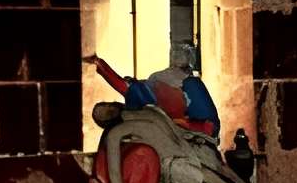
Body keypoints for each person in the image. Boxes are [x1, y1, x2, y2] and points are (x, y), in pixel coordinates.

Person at [90, 41, 220, 137]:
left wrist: (99, 63)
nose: (109, 111)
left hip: (189, 112)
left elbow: (117, 82)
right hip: (180, 119)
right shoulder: (131, 116)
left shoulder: (137, 93)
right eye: (107, 115)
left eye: (107, 108)